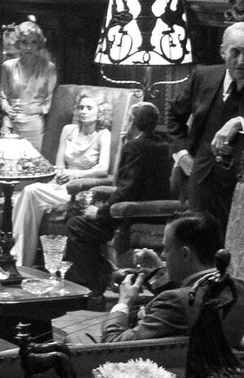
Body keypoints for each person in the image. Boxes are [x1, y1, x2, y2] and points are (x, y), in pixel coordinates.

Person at [165, 21, 244, 228]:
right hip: (201, 181)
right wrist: (182, 154)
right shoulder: (203, 76)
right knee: (199, 240)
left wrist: (240, 122)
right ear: (223, 51)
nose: (241, 60)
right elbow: (173, 114)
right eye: (236, 52)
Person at [65, 100, 180, 298]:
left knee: (76, 225)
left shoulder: (135, 147)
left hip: (131, 214)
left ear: (132, 121)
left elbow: (127, 190)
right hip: (160, 213)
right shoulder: (164, 144)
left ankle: (100, 282)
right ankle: (100, 277)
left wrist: (99, 211)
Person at [101, 211, 244, 352]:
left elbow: (113, 346)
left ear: (185, 254)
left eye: (166, 249)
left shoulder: (174, 301)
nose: (163, 255)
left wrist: (123, 302)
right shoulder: (242, 289)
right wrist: (163, 276)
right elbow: (194, 299)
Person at [10, 90, 112, 268]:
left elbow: (103, 169)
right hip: (60, 184)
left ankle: (17, 259)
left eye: (89, 108)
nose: (84, 111)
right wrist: (60, 175)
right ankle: (20, 260)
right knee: (28, 194)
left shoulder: (103, 135)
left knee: (31, 191)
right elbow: (59, 165)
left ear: (100, 112)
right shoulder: (68, 130)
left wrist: (75, 175)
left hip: (81, 189)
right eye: (81, 107)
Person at [0, 19, 58, 155]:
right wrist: (7, 108)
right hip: (11, 122)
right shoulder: (8, 66)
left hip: (34, 124)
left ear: (39, 44)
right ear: (18, 43)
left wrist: (34, 109)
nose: (29, 47)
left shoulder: (48, 68)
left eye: (33, 42)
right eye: (24, 42)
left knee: (33, 162)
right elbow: (3, 97)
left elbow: (50, 101)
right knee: (7, 161)